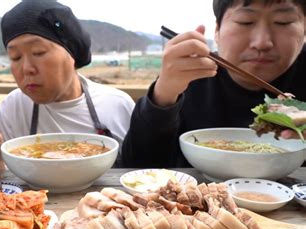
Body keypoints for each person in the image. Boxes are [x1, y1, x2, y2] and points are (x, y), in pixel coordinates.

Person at [122, 0, 306, 168]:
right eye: (245, 21)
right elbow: (136, 167)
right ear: (217, 30)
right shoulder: (191, 77)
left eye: (283, 21)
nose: (262, 42)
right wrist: (163, 95)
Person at [0, 0, 135, 170]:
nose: (26, 69)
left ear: (72, 53)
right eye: (15, 57)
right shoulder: (14, 107)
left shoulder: (118, 105)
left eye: (38, 52)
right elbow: (10, 180)